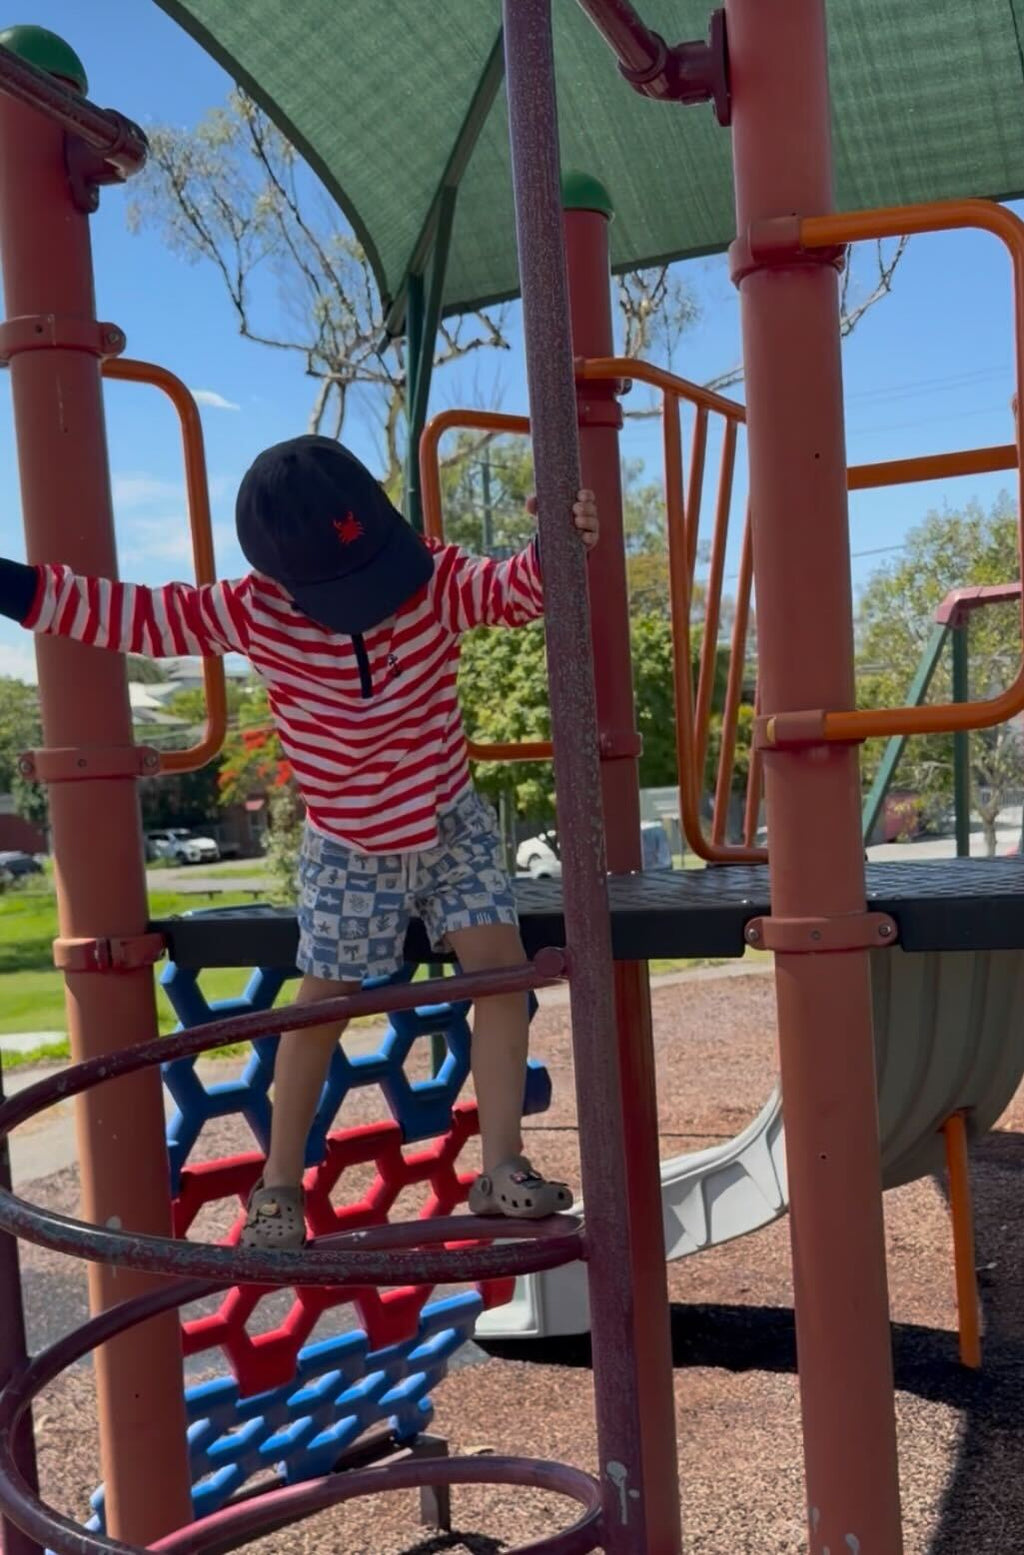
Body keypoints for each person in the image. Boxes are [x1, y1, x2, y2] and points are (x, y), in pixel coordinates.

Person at [0, 435, 598, 1248]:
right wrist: (10, 584)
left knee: (500, 975)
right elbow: (129, 613)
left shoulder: (429, 577)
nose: (370, 604)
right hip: (349, 843)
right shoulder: (252, 610)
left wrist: (556, 540)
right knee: (321, 1005)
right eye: (343, 593)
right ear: (280, 578)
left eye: (374, 576)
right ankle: (279, 1182)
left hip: (449, 819)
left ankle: (500, 1165)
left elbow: (515, 591)